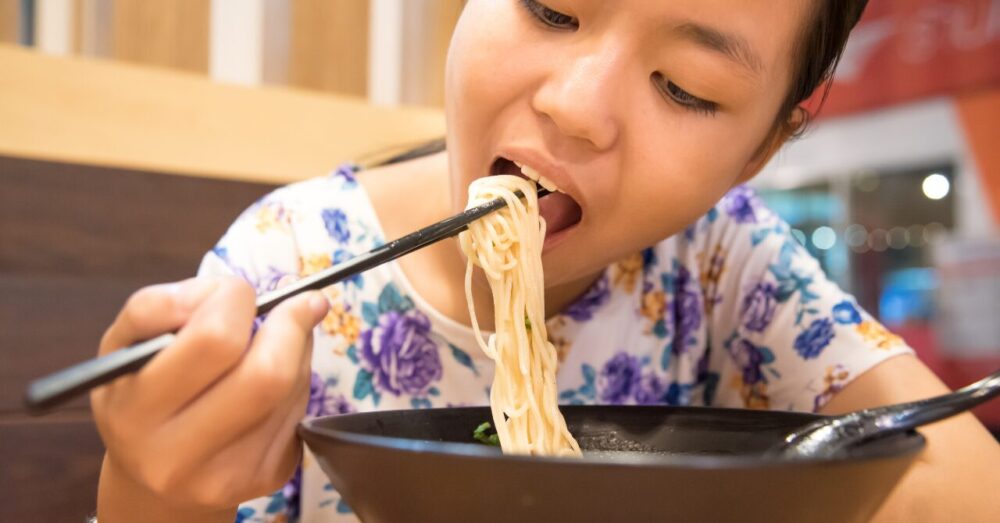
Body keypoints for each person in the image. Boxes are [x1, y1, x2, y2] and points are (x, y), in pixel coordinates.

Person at [91, 1, 999, 522]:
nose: (574, 106)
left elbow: (966, 486)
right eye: (552, 5)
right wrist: (148, 484)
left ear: (759, 151)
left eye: (687, 87)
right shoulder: (285, 263)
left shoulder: (721, 264)